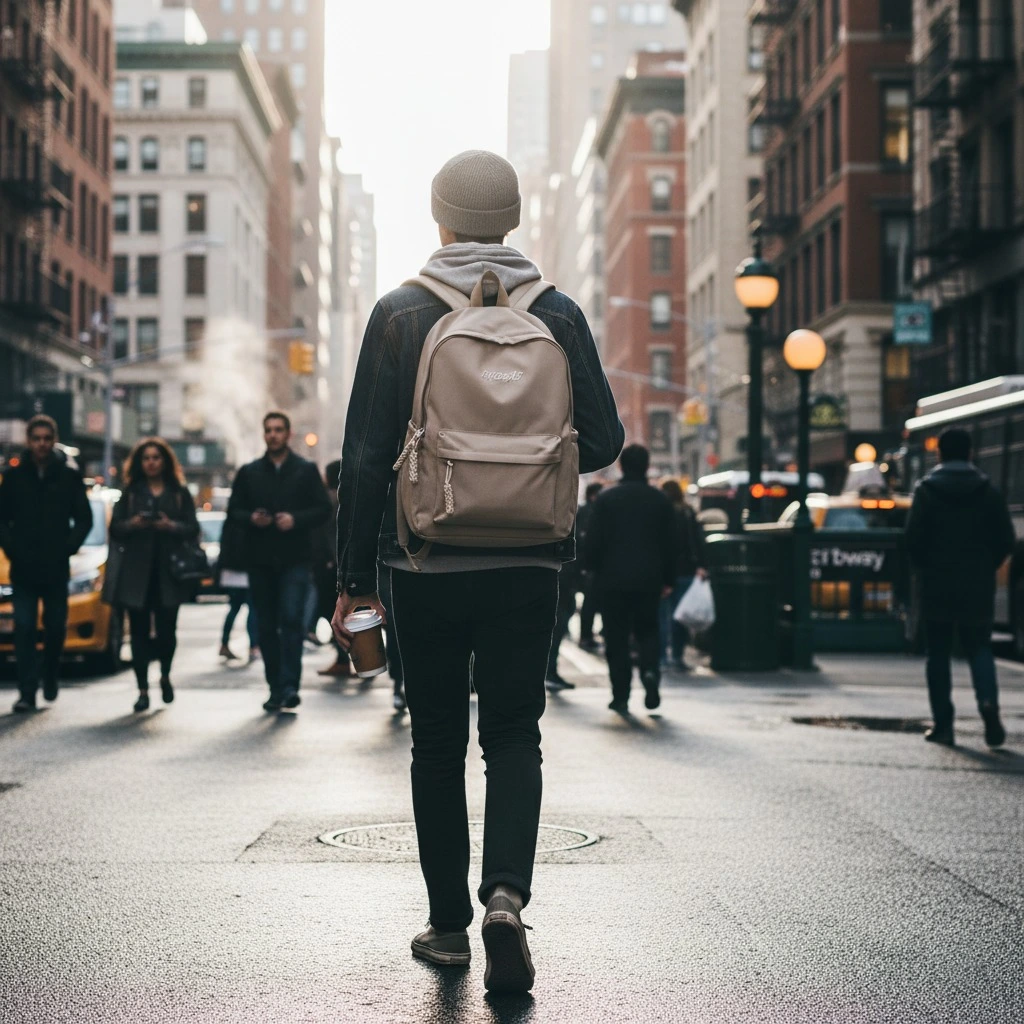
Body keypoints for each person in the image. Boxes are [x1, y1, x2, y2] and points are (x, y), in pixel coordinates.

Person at [332, 150, 623, 991]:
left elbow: (362, 456)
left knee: (436, 745)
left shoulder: (400, 312)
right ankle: (505, 897)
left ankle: (449, 927)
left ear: (441, 218)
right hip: (530, 560)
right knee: (513, 734)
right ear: (515, 217)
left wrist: (352, 578)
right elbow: (602, 442)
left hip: (421, 561)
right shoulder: (558, 314)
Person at [905, 427, 1014, 747]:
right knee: (979, 647)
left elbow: (912, 541)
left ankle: (944, 725)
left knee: (937, 652)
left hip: (937, 582)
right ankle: (988, 705)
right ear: (970, 453)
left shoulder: (926, 491)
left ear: (938, 453)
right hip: (977, 583)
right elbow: (1006, 538)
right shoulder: (988, 491)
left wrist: (926, 568)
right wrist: (986, 565)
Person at [227, 412, 330, 712]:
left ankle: (289, 687)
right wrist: (253, 519)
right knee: (267, 625)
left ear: (288, 434)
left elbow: (323, 509)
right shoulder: (249, 472)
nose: (273, 435)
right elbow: (234, 511)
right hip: (260, 561)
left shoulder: (305, 470)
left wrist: (295, 520)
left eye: (278, 430)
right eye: (268, 430)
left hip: (295, 559)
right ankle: (275, 687)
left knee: (291, 620)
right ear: (264, 434)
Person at [0, 415, 92, 713]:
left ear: (54, 440)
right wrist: (12, 548)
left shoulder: (68, 476)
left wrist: (67, 547)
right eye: (36, 438)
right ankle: (27, 691)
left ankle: (50, 673)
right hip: (24, 568)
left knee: (55, 628)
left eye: (46, 438)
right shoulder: (14, 476)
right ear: (29, 441)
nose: (41, 444)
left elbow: (84, 519)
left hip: (55, 568)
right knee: (24, 627)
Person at [107, 438, 199, 713]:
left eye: (156, 457)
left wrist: (170, 525)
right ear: (139, 462)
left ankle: (165, 676)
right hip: (137, 573)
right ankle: (143, 689)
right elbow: (115, 530)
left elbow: (192, 528)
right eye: (146, 458)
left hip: (169, 573)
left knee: (167, 631)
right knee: (137, 633)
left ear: (165, 461)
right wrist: (133, 524)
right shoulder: (131, 492)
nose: (151, 462)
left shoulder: (179, 492)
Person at [585, 445, 676, 714]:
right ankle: (649, 672)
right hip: (649, 579)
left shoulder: (607, 499)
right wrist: (668, 579)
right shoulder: (660, 501)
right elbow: (671, 545)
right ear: (647, 467)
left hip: (612, 580)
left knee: (616, 638)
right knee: (648, 631)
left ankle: (621, 693)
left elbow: (594, 540)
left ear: (622, 466)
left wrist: (591, 570)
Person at [545, 482, 604, 692]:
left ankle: (549, 671)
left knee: (559, 621)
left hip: (563, 575)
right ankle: (548, 671)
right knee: (557, 623)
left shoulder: (571, 512)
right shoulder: (577, 514)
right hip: (564, 576)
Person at [659, 479, 707, 671]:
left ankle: (662, 657)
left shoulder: (661, 513)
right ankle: (677, 655)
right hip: (686, 570)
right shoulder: (687, 512)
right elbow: (697, 540)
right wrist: (702, 565)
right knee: (681, 616)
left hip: (663, 571)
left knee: (663, 615)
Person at [316, 459, 355, 678]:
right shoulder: (348, 497)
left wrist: (331, 560)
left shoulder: (333, 500)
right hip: (340, 565)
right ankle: (351, 658)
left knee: (335, 613)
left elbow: (331, 533)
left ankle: (345, 659)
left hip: (332, 566)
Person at [217, 514, 259, 663]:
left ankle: (224, 643)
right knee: (252, 608)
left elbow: (224, 546)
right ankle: (253, 646)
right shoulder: (248, 520)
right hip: (245, 571)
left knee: (235, 608)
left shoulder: (231, 521)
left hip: (233, 572)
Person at [576, 482, 604, 651]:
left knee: (591, 602)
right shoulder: (589, 512)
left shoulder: (587, 510)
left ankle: (587, 635)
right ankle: (586, 636)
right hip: (589, 566)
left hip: (588, 565)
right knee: (590, 602)